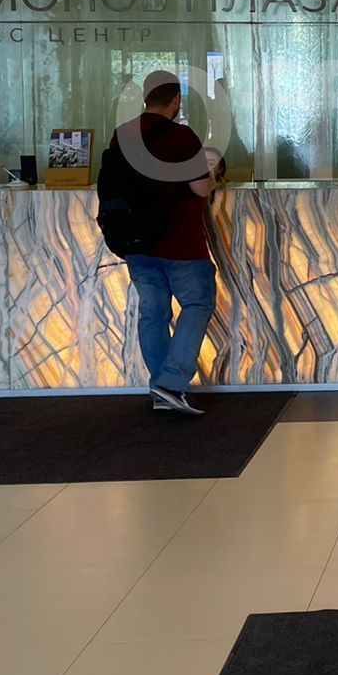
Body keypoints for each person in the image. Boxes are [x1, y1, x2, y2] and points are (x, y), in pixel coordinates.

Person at [103, 70, 219, 417]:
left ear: (145, 98)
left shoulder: (122, 135)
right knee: (197, 303)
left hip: (136, 240)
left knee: (153, 313)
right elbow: (201, 188)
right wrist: (213, 175)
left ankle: (163, 389)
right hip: (180, 241)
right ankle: (171, 384)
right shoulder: (182, 137)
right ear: (176, 100)